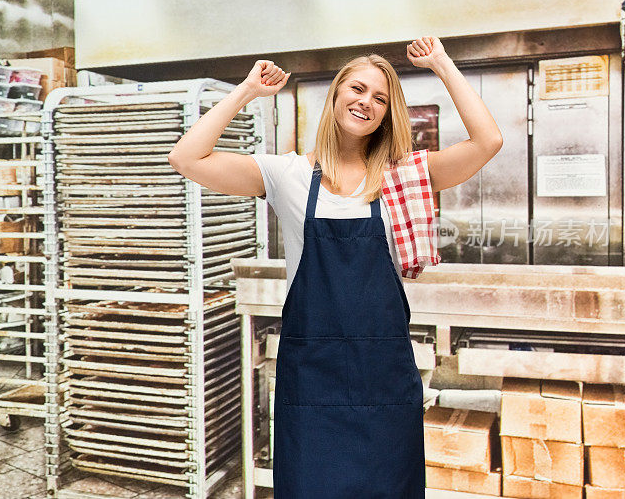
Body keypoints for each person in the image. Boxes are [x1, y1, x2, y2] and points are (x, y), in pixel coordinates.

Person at [168, 36, 503, 498]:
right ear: (336, 94)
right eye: (358, 89)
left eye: (380, 98)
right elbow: (186, 157)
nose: (367, 102)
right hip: (312, 381)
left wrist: (442, 65)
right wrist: (246, 90)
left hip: (383, 377)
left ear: (388, 114)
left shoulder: (401, 177)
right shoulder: (287, 175)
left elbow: (489, 141)